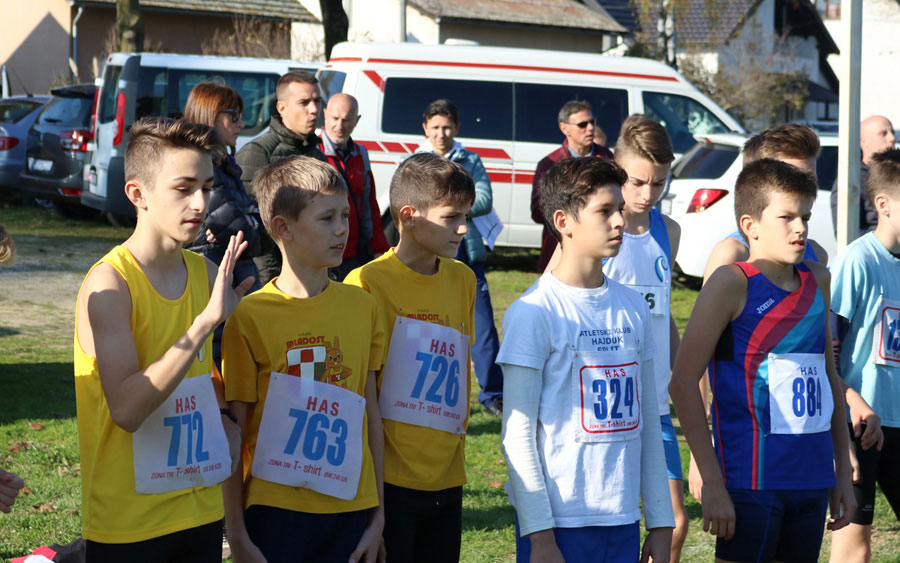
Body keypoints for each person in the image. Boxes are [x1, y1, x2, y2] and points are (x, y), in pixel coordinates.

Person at [73, 117, 250, 561]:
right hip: (129, 526)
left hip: (200, 510)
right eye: (183, 188)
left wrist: (225, 415)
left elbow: (202, 373)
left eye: (207, 187)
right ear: (138, 194)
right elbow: (127, 410)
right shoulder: (110, 284)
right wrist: (203, 324)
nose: (200, 203)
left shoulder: (206, 273)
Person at [670, 158, 855, 563]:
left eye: (805, 216)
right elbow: (682, 382)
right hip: (752, 481)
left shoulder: (818, 280)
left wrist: (842, 471)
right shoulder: (731, 283)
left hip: (812, 479)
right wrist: (712, 480)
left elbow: (828, 377)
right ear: (750, 225)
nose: (800, 228)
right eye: (786, 217)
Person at [690, 124, 880, 506]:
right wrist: (702, 455)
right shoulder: (731, 258)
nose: (802, 187)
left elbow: (810, 359)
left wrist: (848, 408)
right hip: (747, 453)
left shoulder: (815, 260)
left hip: (802, 452)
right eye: (792, 175)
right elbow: (703, 360)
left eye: (810, 178)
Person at [499, 157, 674, 562]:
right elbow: (517, 437)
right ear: (563, 221)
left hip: (623, 520)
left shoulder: (633, 307)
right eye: (604, 211)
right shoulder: (534, 312)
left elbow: (648, 421)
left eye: (620, 209)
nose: (620, 221)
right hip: (560, 524)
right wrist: (540, 537)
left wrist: (661, 521)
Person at [221, 156, 385, 563]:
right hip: (276, 511)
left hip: (349, 508)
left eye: (345, 215)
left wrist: (378, 515)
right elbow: (234, 432)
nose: (343, 229)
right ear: (283, 228)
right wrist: (236, 533)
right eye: (327, 218)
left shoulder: (363, 306)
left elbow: (371, 416)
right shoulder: (250, 316)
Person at [344, 153, 476, 563]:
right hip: (390, 481)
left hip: (448, 477)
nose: (463, 228)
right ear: (408, 216)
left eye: (466, 215)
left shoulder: (463, 279)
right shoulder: (366, 283)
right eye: (451, 217)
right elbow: (360, 393)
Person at [600, 115, 689, 562]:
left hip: (654, 405)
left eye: (658, 183)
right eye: (637, 182)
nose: (647, 194)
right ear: (617, 169)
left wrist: (687, 374)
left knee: (672, 523)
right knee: (610, 523)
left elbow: (662, 312)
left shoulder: (668, 231)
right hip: (604, 404)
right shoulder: (596, 230)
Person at [828, 149, 900, 563]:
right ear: (883, 204)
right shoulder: (857, 260)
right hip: (862, 425)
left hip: (898, 420)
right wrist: (843, 419)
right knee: (855, 546)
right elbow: (827, 346)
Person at [416, 98, 504, 416]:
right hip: (428, 252)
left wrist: (444, 208)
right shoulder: (415, 162)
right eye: (436, 127)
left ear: (457, 128)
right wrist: (456, 204)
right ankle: (426, 389)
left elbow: (484, 199)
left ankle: (493, 393)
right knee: (429, 322)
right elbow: (412, 204)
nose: (442, 133)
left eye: (447, 127)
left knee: (482, 323)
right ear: (425, 128)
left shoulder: (470, 159)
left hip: (467, 248)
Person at [183, 82, 263, 370]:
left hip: (230, 279)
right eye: (234, 115)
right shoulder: (206, 167)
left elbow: (253, 227)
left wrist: (251, 221)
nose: (241, 124)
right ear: (210, 115)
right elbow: (248, 236)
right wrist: (251, 223)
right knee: (219, 362)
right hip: (215, 279)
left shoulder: (225, 164)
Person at [236, 70, 328, 284]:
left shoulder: (317, 154)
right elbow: (255, 229)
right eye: (304, 102)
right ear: (281, 108)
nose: (314, 110)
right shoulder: (258, 153)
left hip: (311, 276)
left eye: (317, 101)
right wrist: (273, 281)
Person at [530, 100, 614, 272]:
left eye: (592, 122)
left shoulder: (607, 158)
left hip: (601, 251)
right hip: (561, 250)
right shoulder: (549, 164)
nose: (590, 128)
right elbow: (538, 211)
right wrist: (576, 213)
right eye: (582, 124)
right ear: (564, 128)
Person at [320, 92, 389, 280]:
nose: (339, 126)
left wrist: (379, 247)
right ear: (325, 114)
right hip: (324, 252)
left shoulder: (361, 154)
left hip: (354, 252)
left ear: (357, 120)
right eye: (335, 118)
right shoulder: (314, 152)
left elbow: (369, 204)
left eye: (347, 120)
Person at [831, 115, 896, 240]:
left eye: (892, 132)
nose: (892, 138)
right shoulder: (850, 181)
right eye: (883, 133)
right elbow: (848, 236)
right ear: (864, 141)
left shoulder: (895, 174)